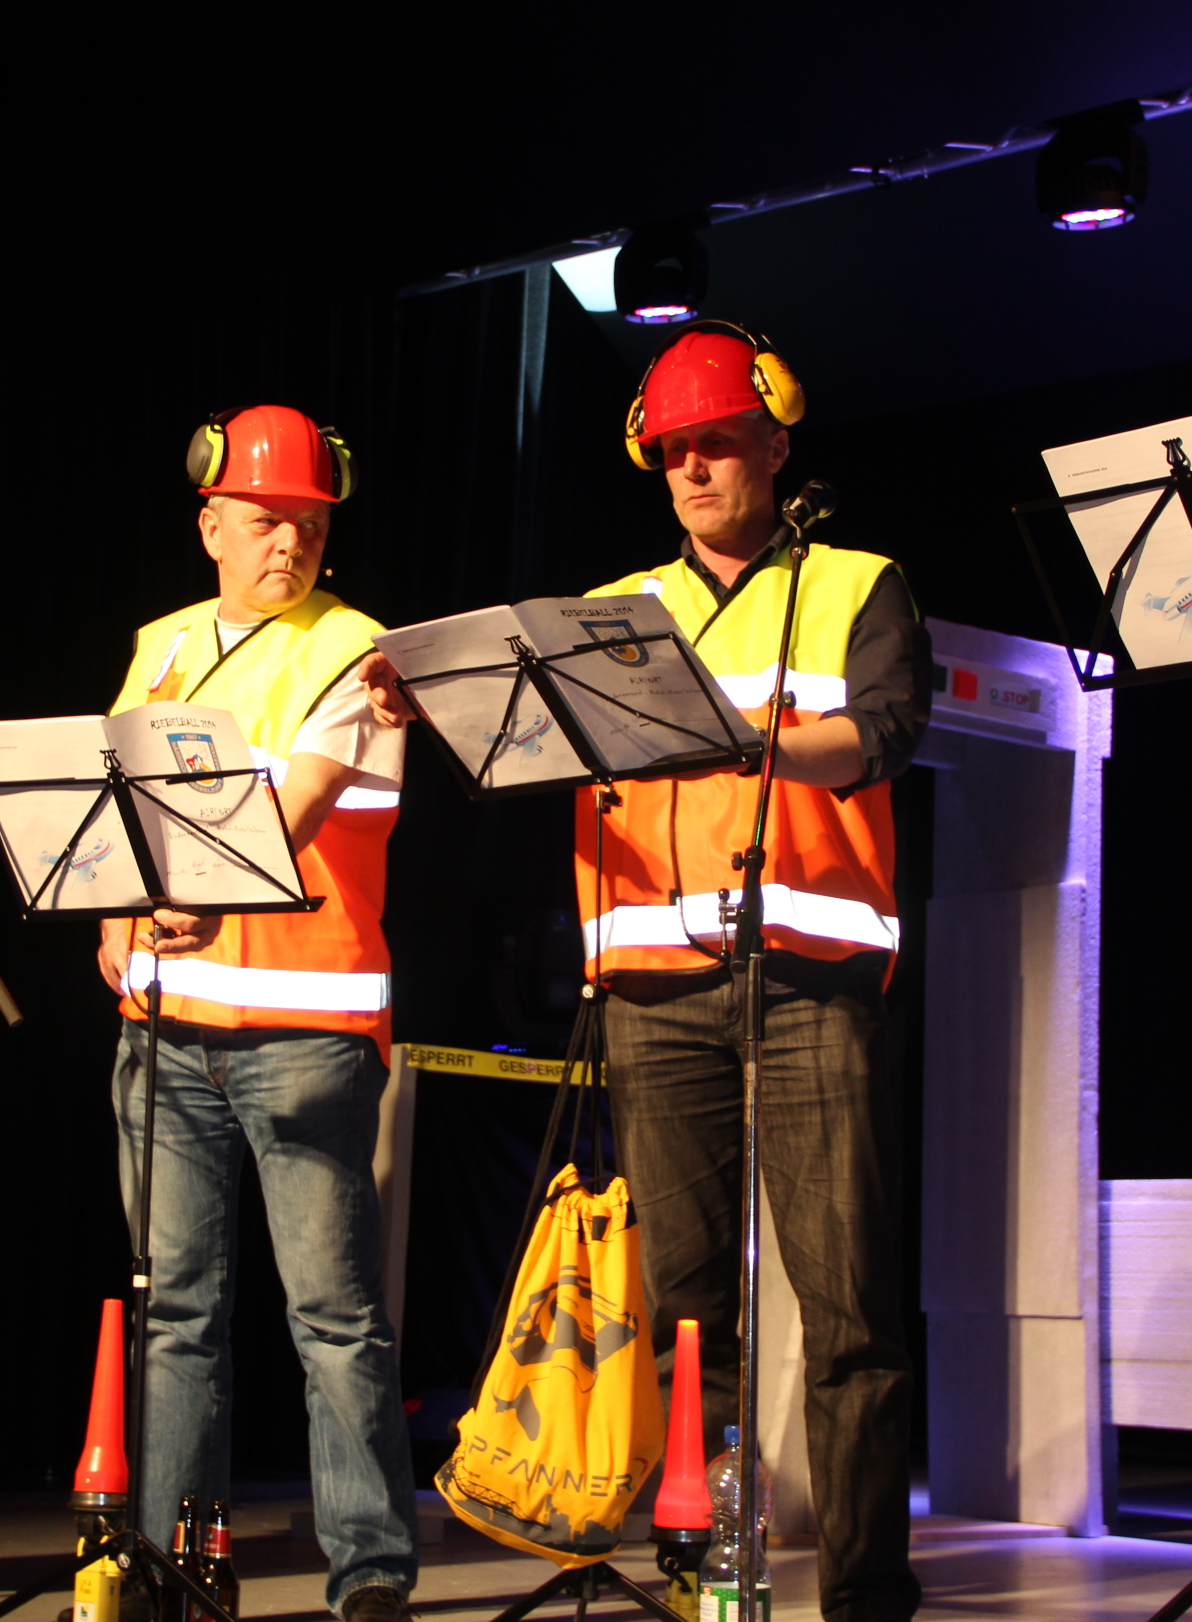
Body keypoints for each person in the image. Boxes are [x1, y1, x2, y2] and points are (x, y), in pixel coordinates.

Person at [369, 322, 929, 1622]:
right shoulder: (614, 614)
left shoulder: (856, 582)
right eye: (674, 452)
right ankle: (704, 1571)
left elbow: (885, 733)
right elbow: (525, 746)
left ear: (775, 444)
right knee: (686, 1312)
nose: (694, 469)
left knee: (848, 1309)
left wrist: (742, 735)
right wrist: (429, 705)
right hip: (650, 986)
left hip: (812, 980)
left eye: (718, 443)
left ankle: (866, 1596)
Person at [97, 404, 417, 1622]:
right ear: (212, 525)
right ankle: (170, 1559)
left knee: (333, 1316)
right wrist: (112, 915)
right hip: (167, 1024)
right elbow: (113, 804)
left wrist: (186, 894)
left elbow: (299, 805)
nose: (292, 543)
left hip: (305, 1030)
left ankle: (370, 1572)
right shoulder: (162, 645)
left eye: (311, 524)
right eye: (269, 519)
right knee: (175, 1311)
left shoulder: (354, 645)